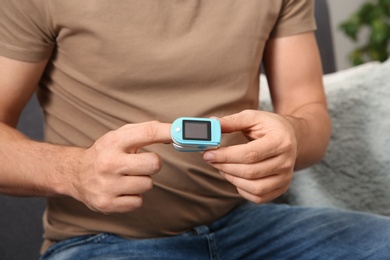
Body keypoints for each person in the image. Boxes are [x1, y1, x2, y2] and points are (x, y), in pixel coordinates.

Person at [1, 0, 389, 259]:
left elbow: (309, 113)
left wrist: (292, 135)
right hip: (103, 241)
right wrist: (74, 172)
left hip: (248, 224)